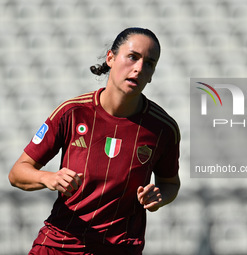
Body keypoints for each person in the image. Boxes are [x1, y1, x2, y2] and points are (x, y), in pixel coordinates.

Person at [8, 27, 181, 255]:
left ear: (152, 75)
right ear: (110, 57)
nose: (139, 68)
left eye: (149, 63)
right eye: (133, 57)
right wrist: (48, 178)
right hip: (60, 246)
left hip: (120, 249)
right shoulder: (72, 112)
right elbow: (18, 173)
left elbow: (170, 183)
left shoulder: (163, 128)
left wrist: (159, 196)